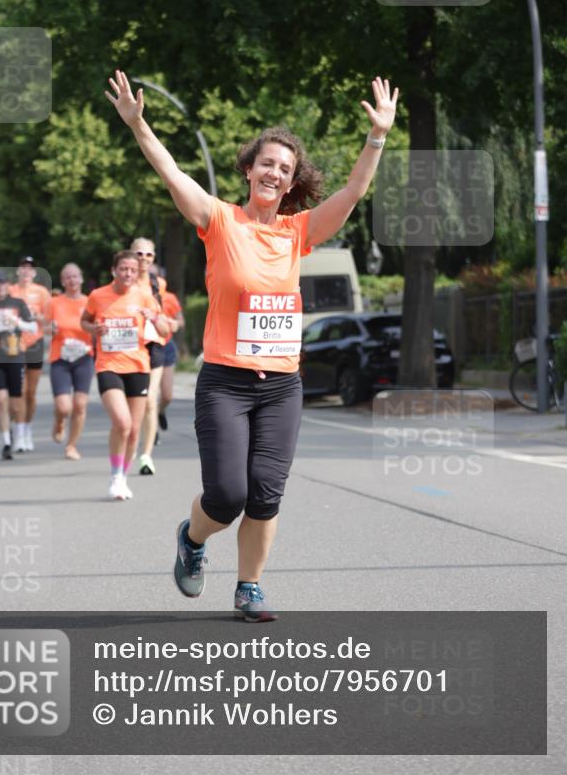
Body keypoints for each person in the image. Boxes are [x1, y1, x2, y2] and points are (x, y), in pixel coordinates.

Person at [106, 69, 398, 620]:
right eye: (267, 163)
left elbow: (355, 191)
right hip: (224, 381)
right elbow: (171, 171)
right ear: (249, 169)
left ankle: (249, 587)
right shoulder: (219, 220)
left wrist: (376, 135)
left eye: (285, 169)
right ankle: (192, 540)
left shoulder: (298, 233)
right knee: (227, 496)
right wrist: (139, 124)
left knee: (266, 492)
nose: (274, 172)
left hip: (282, 385)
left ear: (290, 184)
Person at [81, 251, 169, 500]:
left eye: (132, 270)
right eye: (123, 269)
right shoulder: (98, 296)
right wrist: (94, 329)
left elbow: (163, 329)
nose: (128, 274)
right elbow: (84, 322)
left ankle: (123, 476)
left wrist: (155, 318)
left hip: (138, 367)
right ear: (114, 271)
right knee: (122, 422)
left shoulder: (144, 296)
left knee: (133, 430)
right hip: (108, 365)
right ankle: (115, 476)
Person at [0, 271, 37, 461]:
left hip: (14, 356)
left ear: (8, 285)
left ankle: (17, 433)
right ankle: (6, 442)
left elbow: (33, 327)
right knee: (1, 398)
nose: (0, 287)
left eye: (3, 283)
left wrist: (17, 322)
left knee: (15, 402)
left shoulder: (18, 304)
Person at [49, 263, 95, 460]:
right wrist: (48, 329)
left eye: (75, 276)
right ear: (62, 281)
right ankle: (60, 421)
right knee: (64, 407)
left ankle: (71, 445)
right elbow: (41, 327)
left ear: (81, 279)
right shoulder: (54, 303)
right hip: (60, 358)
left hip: (84, 357)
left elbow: (97, 325)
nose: (72, 280)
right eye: (67, 277)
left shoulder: (90, 301)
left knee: (80, 404)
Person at [130, 238, 167, 475]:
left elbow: (161, 314)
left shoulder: (158, 283)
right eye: (139, 254)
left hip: (154, 344)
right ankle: (130, 444)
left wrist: (158, 319)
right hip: (130, 348)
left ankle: (146, 456)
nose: (144, 259)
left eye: (148, 255)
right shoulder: (124, 282)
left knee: (151, 400)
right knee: (135, 404)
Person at [10, 257, 52, 452]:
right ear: (17, 271)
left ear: (34, 273)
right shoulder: (11, 291)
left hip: (35, 342)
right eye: (23, 268)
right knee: (18, 390)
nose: (26, 272)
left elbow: (49, 318)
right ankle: (18, 431)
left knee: (30, 392)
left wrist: (38, 317)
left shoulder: (41, 292)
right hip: (14, 343)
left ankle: (27, 428)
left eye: (30, 269)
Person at [157, 277, 185, 439]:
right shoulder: (140, 295)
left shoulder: (170, 298)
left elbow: (181, 321)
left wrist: (174, 323)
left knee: (167, 396)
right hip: (146, 348)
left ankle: (160, 411)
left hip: (166, 346)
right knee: (148, 396)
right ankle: (153, 432)